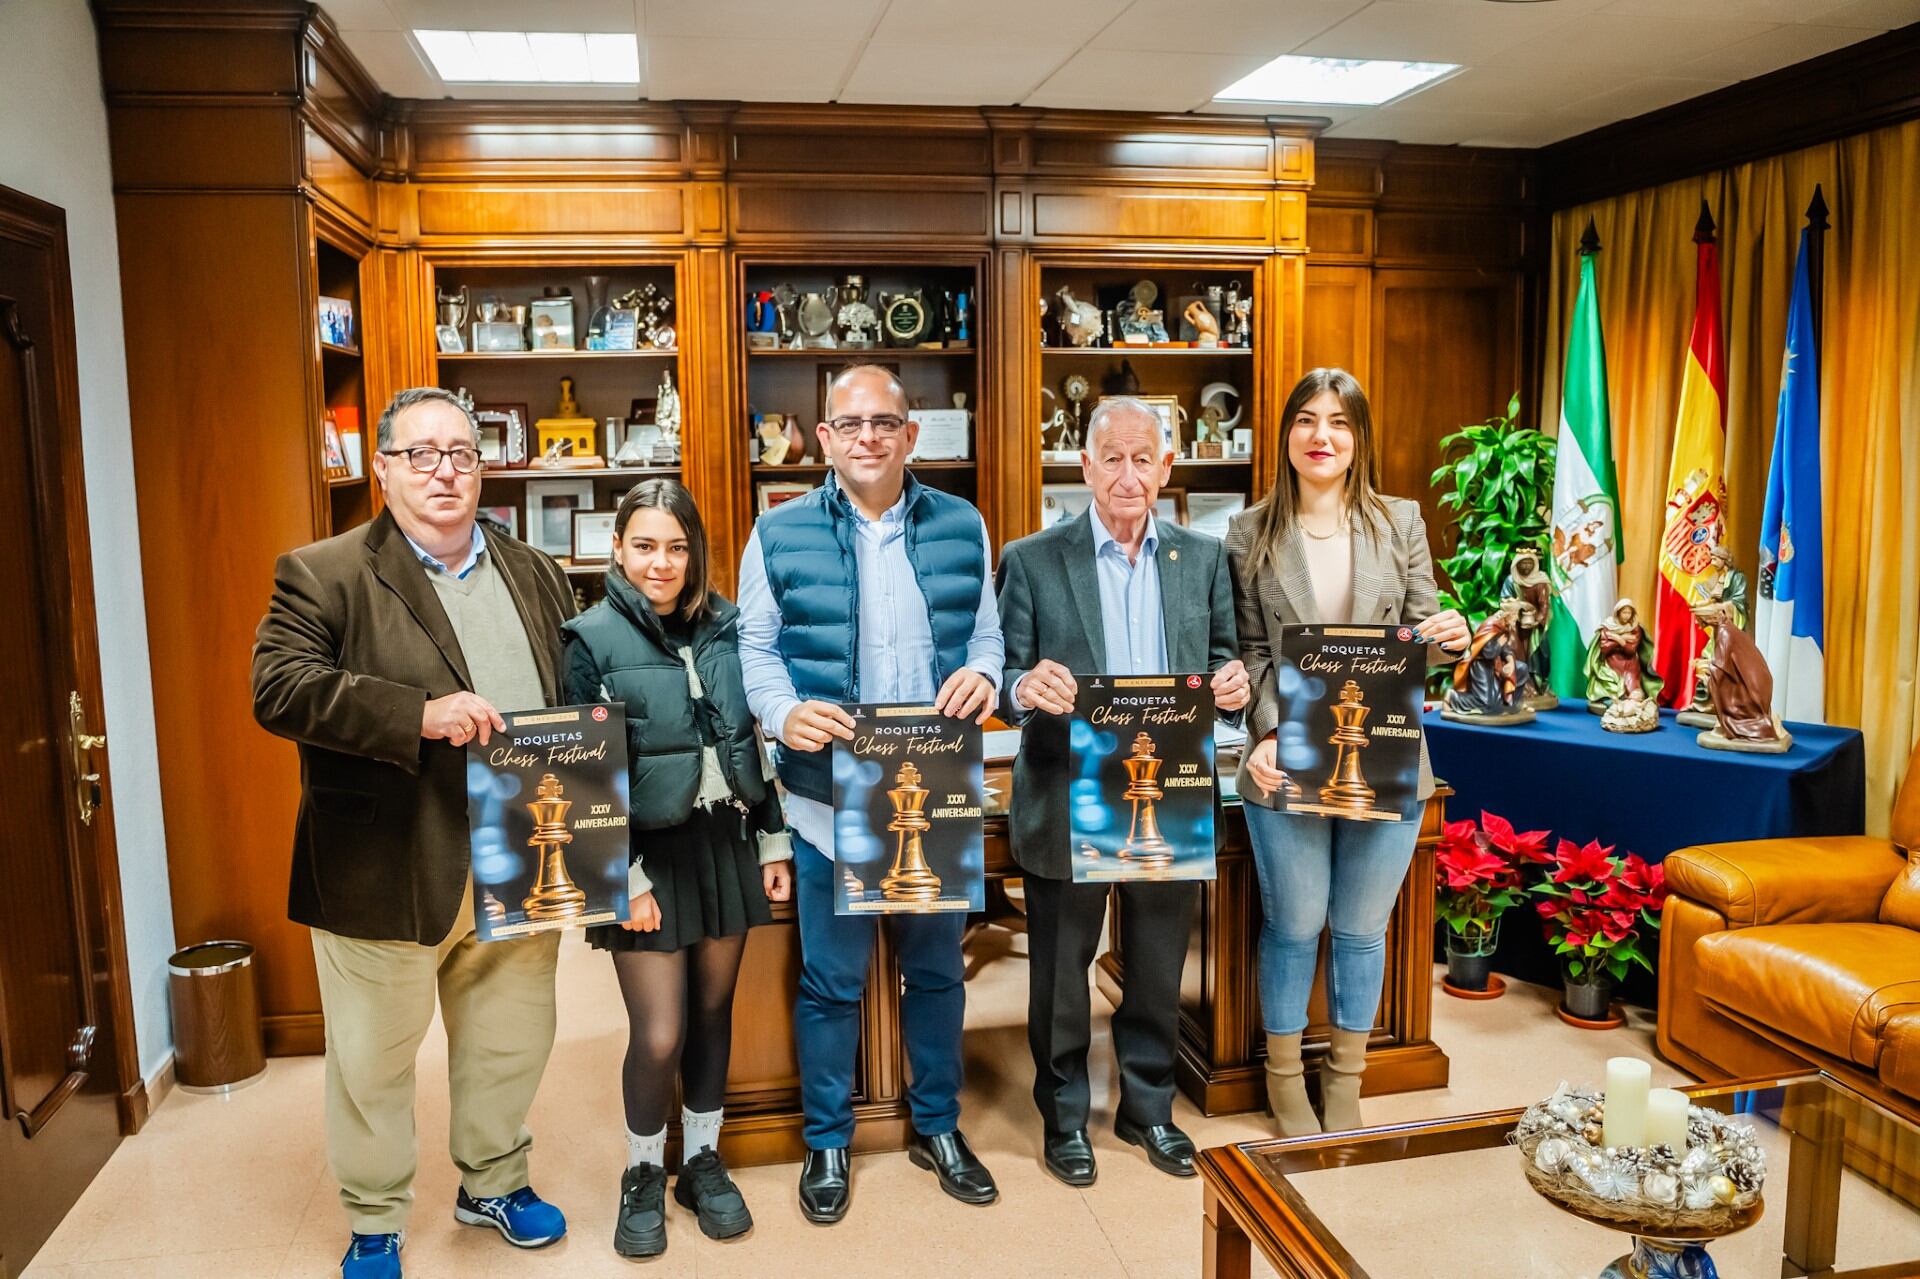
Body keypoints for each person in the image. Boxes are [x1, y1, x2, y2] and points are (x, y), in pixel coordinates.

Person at [251, 386, 575, 1279]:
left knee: (511, 1038)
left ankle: (493, 1181)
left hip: (520, 855)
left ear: (484, 466)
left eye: (462, 453)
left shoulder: (536, 570)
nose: (445, 470)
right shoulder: (323, 571)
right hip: (384, 863)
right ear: (384, 467)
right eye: (422, 453)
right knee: (373, 1061)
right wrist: (417, 715)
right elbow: (279, 690)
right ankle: (375, 1217)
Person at [736, 364, 1005, 1223]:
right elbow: (756, 647)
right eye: (849, 424)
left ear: (911, 435)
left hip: (935, 786)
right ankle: (827, 1140)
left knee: (935, 972)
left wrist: (984, 675)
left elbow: (989, 636)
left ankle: (938, 1126)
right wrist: (780, 712)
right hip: (827, 799)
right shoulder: (775, 533)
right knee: (831, 981)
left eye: (884, 422)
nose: (867, 438)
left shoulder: (964, 525)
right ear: (823, 438)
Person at [996, 397, 1247, 1185]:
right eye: (1113, 458)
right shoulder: (1032, 558)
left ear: (1167, 468)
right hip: (1067, 796)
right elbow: (1002, 674)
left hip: (1167, 796)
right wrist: (1024, 684)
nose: (1129, 475)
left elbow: (1224, 664)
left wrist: (1234, 686)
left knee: (1156, 965)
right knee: (1061, 974)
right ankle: (1064, 1116)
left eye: (1145, 458)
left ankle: (1147, 1108)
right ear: (1085, 467)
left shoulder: (1204, 560)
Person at [1225, 368, 1471, 1138]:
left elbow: (1424, 639)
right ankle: (1284, 1076)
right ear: (1287, 434)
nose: (1321, 436)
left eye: (1338, 422)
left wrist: (1450, 636)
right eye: (1305, 420)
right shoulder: (1248, 531)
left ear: (1358, 437)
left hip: (1387, 757)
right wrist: (1268, 734)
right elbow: (1246, 650)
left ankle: (1347, 1077)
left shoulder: (1401, 522)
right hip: (1284, 758)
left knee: (1364, 927)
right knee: (1295, 922)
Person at [561, 479, 794, 1258]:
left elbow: (749, 743)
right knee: (659, 1032)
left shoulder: (726, 627)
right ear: (618, 550)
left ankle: (699, 1159)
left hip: (723, 841)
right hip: (643, 859)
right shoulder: (589, 638)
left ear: (694, 553)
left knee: (713, 1014)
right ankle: (640, 1173)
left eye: (677, 546)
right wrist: (620, 875)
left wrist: (772, 840)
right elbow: (583, 773)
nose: (661, 562)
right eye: (645, 545)